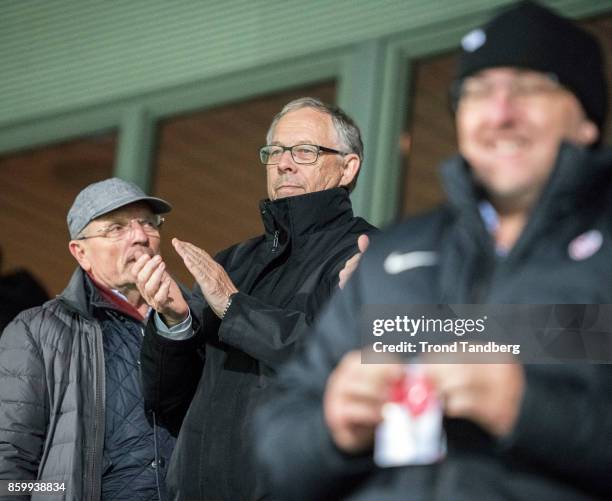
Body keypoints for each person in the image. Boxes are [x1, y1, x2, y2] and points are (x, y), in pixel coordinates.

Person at [255, 2, 612, 500]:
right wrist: (333, 427)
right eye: (478, 92)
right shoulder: (394, 254)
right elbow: (277, 443)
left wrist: (526, 410)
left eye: (530, 87)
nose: (501, 112)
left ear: (587, 120)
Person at [138, 97, 377, 500]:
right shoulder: (231, 262)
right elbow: (166, 403)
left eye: (304, 151)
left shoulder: (366, 254)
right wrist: (174, 324)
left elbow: (338, 365)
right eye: (275, 152)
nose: (284, 164)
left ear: (347, 167)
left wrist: (235, 307)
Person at [0, 178, 185, 500]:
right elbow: (10, 459)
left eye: (148, 223)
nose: (141, 236)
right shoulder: (37, 331)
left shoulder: (197, 320)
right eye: (116, 228)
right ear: (80, 252)